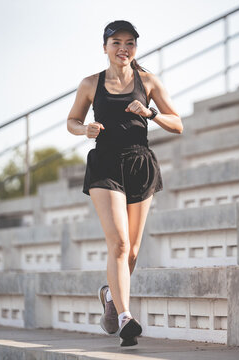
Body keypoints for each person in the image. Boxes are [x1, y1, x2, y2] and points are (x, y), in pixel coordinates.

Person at [66, 20, 183, 346]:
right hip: (105, 164)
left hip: (139, 163)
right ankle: (125, 316)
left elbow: (178, 124)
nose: (123, 49)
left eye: (129, 43)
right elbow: (72, 120)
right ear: (105, 47)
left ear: (135, 48)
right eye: (116, 42)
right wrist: (83, 130)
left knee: (131, 251)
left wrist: (151, 113)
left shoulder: (147, 81)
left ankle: (109, 298)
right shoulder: (91, 83)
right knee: (117, 244)